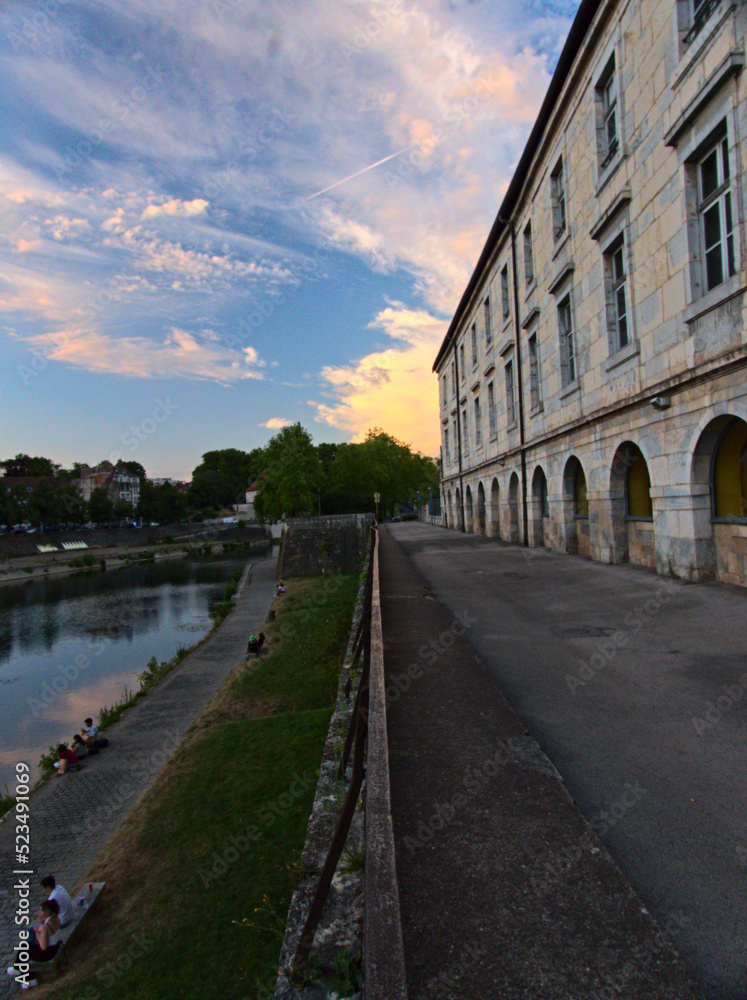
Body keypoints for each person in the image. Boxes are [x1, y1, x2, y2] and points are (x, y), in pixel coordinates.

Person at [6, 897, 62, 989]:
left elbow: (43, 947)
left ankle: (29, 978)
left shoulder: (45, 927)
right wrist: (41, 923)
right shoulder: (55, 918)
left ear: (48, 911)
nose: (39, 913)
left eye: (41, 911)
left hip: (47, 953)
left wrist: (38, 934)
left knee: (25, 950)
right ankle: (17, 968)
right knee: (26, 946)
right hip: (56, 947)